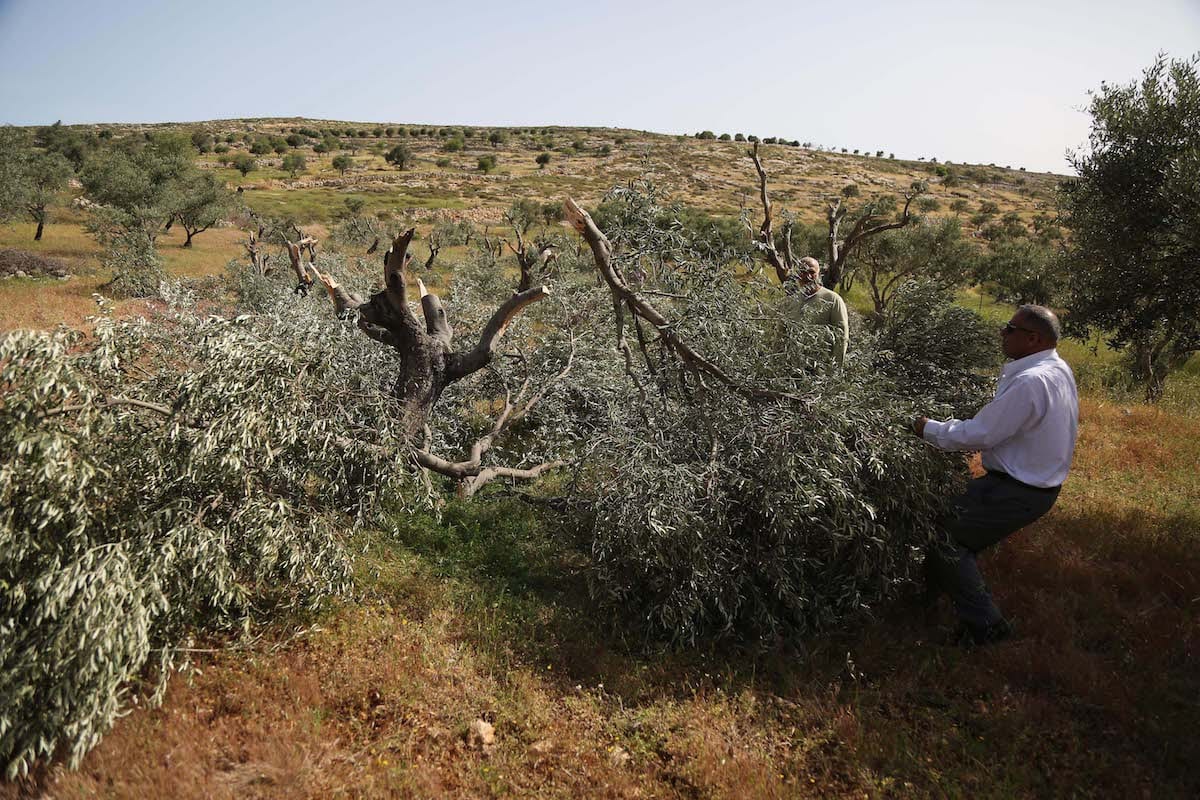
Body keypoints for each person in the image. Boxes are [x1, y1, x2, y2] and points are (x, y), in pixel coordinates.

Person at [912, 304, 1078, 646]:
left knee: (947, 542)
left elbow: (981, 434)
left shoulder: (1032, 381)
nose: (1002, 333)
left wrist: (926, 428)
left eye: (1009, 328)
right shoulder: (1054, 369)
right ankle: (923, 601)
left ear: (1033, 338)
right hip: (1021, 486)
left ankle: (987, 627)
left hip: (1018, 491)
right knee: (942, 525)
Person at [780, 256, 850, 367]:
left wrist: (834, 371)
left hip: (819, 373)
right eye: (802, 271)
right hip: (791, 371)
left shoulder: (832, 299)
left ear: (818, 274)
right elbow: (781, 334)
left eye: (811, 272)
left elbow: (842, 337)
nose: (807, 276)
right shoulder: (790, 301)